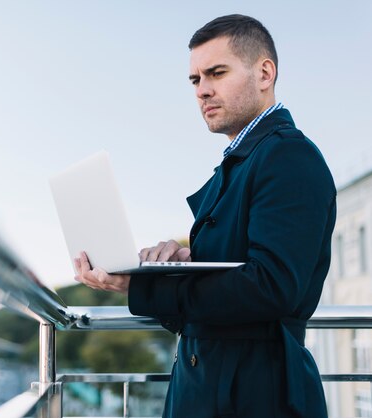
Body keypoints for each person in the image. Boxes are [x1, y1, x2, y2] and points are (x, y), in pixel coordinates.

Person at [74, 14, 336, 418]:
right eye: (195, 80)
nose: (202, 90)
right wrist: (172, 266)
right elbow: (216, 300)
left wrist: (138, 287)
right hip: (214, 390)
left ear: (264, 73)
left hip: (255, 397)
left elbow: (270, 287)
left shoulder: (288, 155)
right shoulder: (240, 163)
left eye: (216, 73)